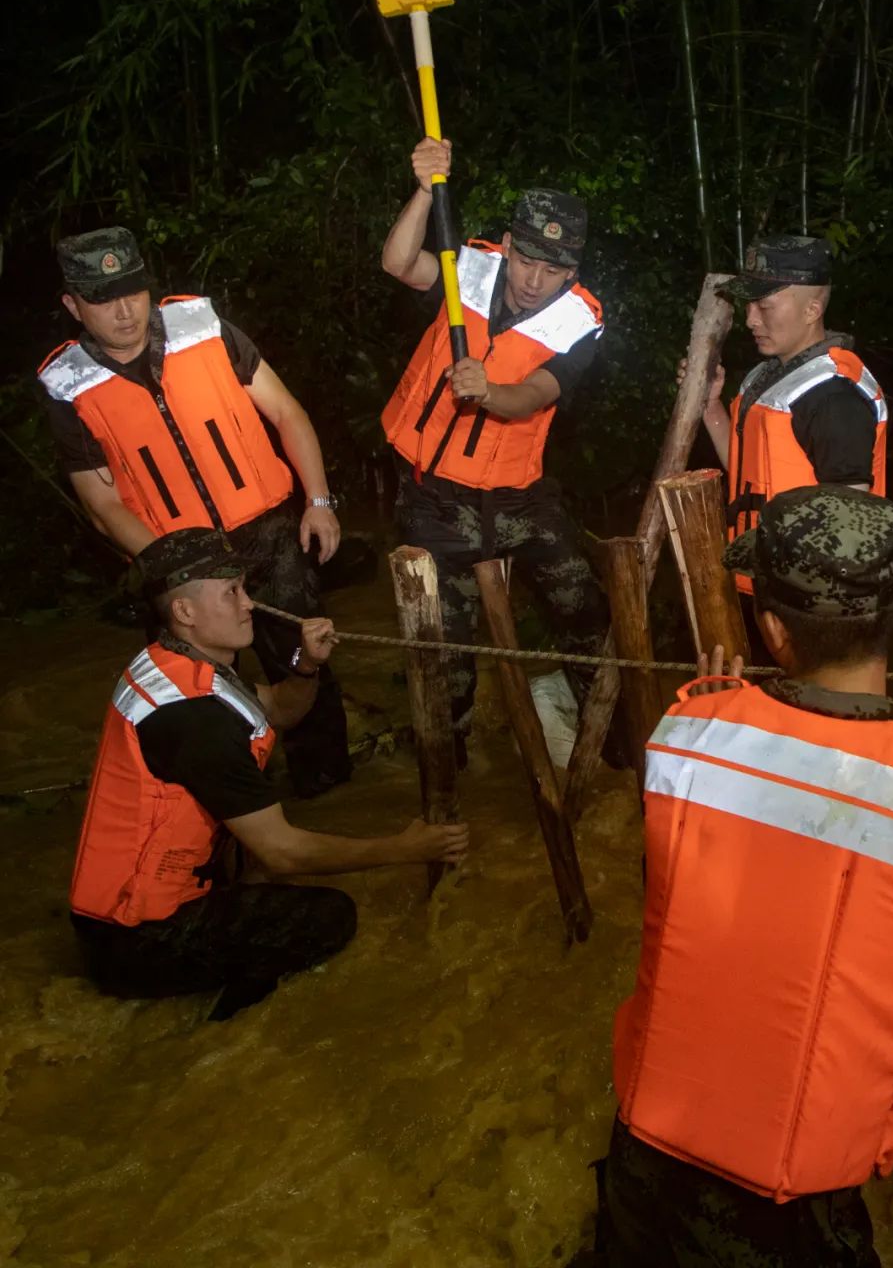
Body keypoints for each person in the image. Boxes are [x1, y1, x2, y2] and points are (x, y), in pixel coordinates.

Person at [603, 485, 893, 1267]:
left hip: (641, 1178)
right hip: (789, 1224)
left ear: (773, 629)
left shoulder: (681, 734)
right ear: (890, 617)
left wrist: (732, 702)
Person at [69, 528, 469, 1021]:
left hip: (114, 913)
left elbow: (278, 708)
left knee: (258, 879)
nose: (249, 604)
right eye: (231, 593)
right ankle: (225, 1026)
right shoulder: (194, 720)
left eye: (244, 588)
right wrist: (403, 850)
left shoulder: (176, 661)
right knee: (328, 919)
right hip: (136, 939)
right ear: (185, 613)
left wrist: (306, 664)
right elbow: (282, 851)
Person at [37, 227, 349, 797]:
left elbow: (285, 412)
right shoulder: (69, 389)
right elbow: (104, 506)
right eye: (103, 299)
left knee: (307, 656)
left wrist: (320, 501)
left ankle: (327, 787)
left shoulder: (203, 329)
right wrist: (181, 568)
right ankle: (230, 802)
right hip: (176, 564)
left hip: (267, 533)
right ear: (73, 305)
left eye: (132, 290)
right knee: (199, 690)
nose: (124, 311)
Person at [381, 136, 609, 760]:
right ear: (507, 246)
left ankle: (613, 748)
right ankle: (448, 773)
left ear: (573, 271)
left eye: (554, 271)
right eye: (527, 261)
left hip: (518, 500)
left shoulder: (580, 321)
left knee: (586, 618)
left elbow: (534, 394)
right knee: (446, 651)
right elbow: (399, 263)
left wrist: (490, 392)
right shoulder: (469, 267)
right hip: (432, 494)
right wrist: (426, 192)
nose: (535, 282)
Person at [689, 236, 888, 588]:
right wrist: (710, 405)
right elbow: (743, 469)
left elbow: (851, 527)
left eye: (764, 306)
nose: (750, 320)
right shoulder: (768, 375)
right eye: (749, 306)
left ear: (812, 310)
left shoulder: (833, 397)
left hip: (807, 598)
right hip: (762, 581)